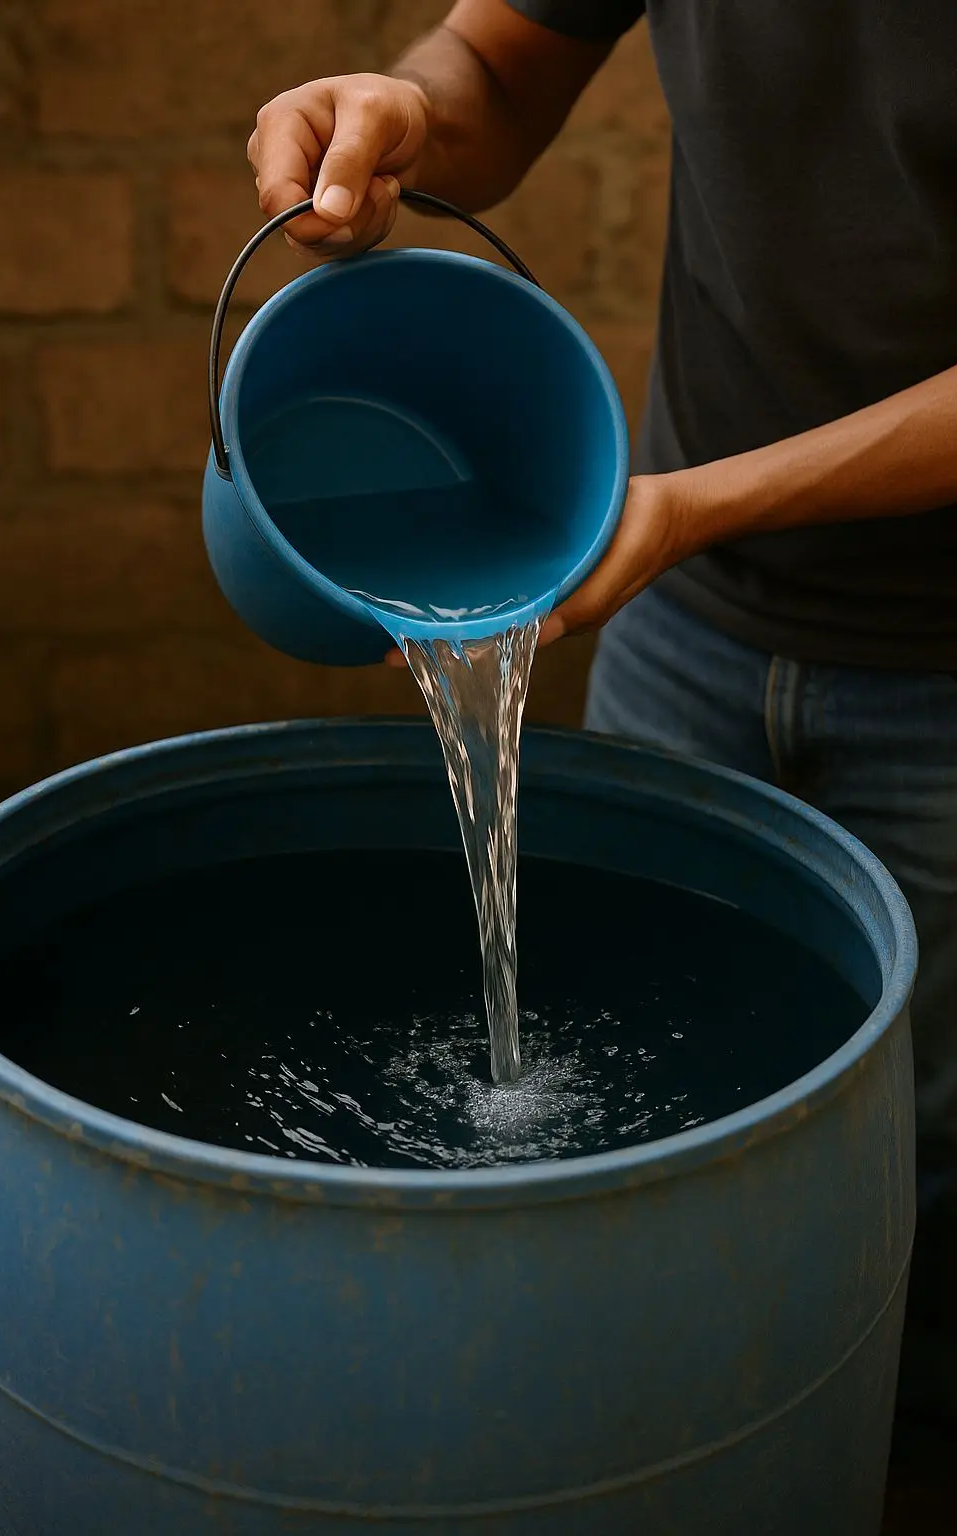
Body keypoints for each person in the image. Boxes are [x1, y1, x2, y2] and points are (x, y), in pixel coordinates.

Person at [248, 0, 957, 1456]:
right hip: (688, 628)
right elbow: (506, 61)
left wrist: (704, 502)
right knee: (627, 1090)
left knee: (922, 1177)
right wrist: (409, 110)